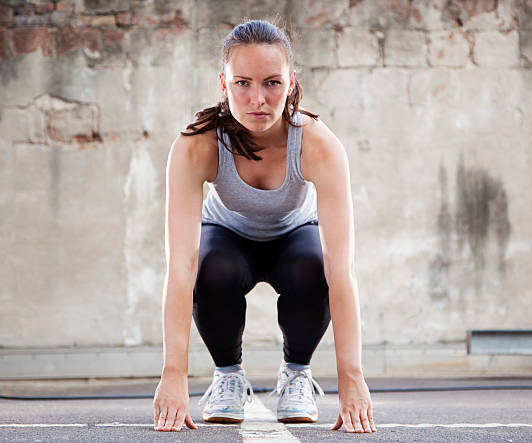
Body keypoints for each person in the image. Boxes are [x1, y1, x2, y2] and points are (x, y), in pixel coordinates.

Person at [153, 19, 376, 434]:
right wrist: (173, 373)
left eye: (272, 82)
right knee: (210, 264)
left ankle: (296, 374)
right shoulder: (196, 143)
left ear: (292, 82)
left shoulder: (317, 143)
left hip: (294, 237)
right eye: (243, 83)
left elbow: (341, 269)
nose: (258, 99)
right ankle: (228, 376)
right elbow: (180, 265)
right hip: (227, 238)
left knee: (314, 266)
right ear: (223, 84)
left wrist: (353, 377)